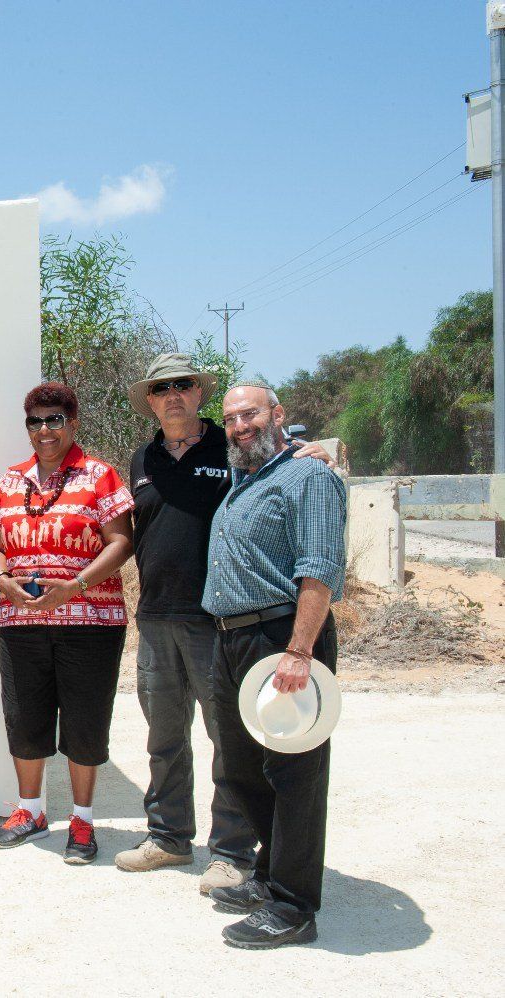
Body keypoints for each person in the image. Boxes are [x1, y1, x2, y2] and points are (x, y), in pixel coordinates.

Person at [114, 355, 333, 892]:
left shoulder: (230, 446)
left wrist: (314, 451)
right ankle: (168, 837)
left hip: (219, 623)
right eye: (161, 388)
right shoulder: (143, 457)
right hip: (157, 619)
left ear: (199, 394)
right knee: (164, 738)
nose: (172, 396)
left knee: (230, 744)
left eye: (183, 386)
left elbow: (279, 465)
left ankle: (231, 851)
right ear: (150, 400)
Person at [202, 382, 346, 950]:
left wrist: (300, 651)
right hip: (232, 639)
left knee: (295, 774)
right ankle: (269, 872)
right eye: (232, 418)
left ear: (278, 414)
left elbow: (320, 570)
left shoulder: (309, 477)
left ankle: (293, 905)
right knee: (241, 767)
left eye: (252, 414)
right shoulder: (244, 478)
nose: (241, 426)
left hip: (282, 638)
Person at [0, 382, 134, 864]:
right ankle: (31, 812)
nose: (44, 430)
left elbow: (121, 542)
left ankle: (83, 821)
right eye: (35, 422)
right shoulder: (11, 480)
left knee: (85, 723)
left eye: (54, 420)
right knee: (25, 718)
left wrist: (76, 586)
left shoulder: (100, 476)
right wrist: (1, 579)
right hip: (22, 623)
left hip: (91, 622)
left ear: (73, 424)